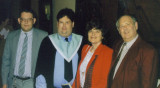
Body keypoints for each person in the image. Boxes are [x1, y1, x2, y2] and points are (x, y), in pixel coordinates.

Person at [35, 8, 83, 88]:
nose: (64, 26)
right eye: (61, 22)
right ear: (57, 24)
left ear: (73, 24)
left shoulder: (81, 42)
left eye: (67, 22)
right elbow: (41, 70)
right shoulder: (48, 42)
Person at [108, 14, 158, 88]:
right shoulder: (117, 45)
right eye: (121, 26)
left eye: (127, 24)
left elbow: (148, 84)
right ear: (119, 30)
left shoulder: (148, 51)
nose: (125, 28)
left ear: (136, 25)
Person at [1, 9, 48, 88]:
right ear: (19, 20)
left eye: (29, 19)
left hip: (32, 82)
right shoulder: (11, 36)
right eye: (23, 19)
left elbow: (46, 62)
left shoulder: (43, 36)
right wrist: (5, 83)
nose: (26, 22)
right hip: (13, 82)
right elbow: (6, 61)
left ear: (34, 20)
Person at [72, 19, 113, 88]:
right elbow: (79, 74)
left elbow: (104, 81)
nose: (93, 34)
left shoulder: (108, 52)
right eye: (90, 31)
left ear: (102, 35)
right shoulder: (85, 48)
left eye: (97, 31)